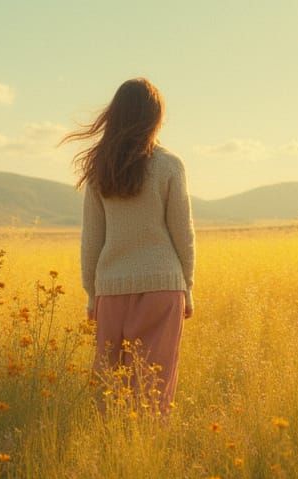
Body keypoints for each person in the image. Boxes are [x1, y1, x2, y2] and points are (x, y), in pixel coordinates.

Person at [62, 78, 195, 416]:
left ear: (116, 115)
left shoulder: (98, 171)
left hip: (111, 289)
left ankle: (113, 449)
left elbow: (91, 239)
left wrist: (92, 295)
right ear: (155, 117)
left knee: (110, 387)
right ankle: (145, 454)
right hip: (164, 288)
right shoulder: (169, 165)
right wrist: (188, 288)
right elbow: (183, 234)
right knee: (155, 387)